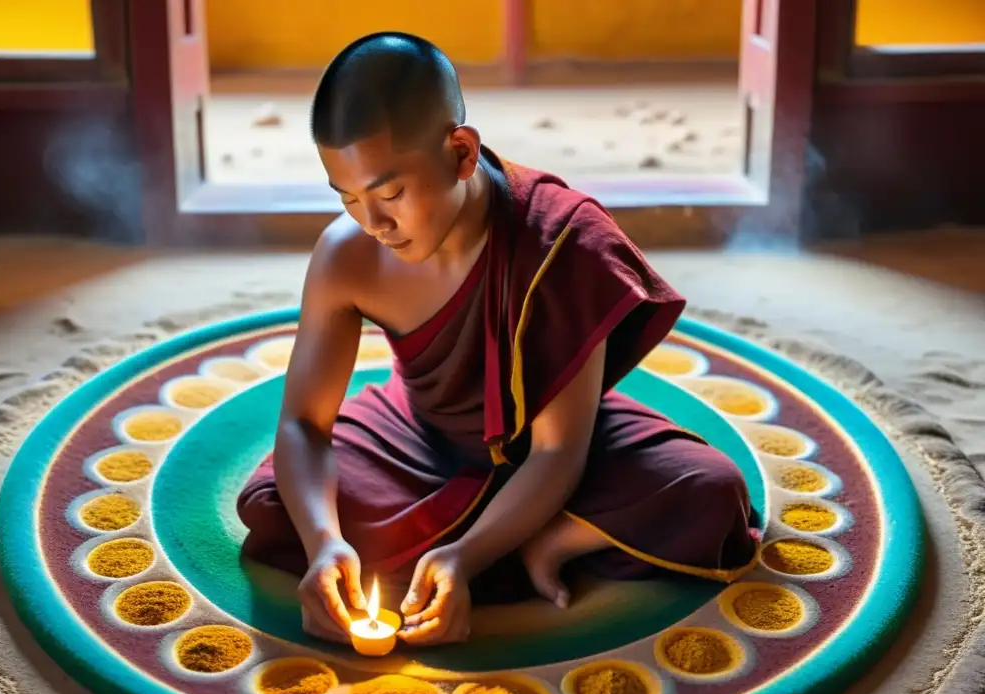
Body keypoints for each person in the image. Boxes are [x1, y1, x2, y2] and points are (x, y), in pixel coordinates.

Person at [237, 32, 759, 647]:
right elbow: (303, 423)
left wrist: (466, 557)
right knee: (275, 504)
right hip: (414, 435)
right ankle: (523, 540)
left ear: (460, 152)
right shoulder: (348, 256)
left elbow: (556, 453)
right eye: (349, 198)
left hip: (554, 442)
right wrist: (326, 542)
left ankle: (553, 536)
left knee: (711, 492)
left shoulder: (561, 240)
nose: (374, 224)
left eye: (391, 193)